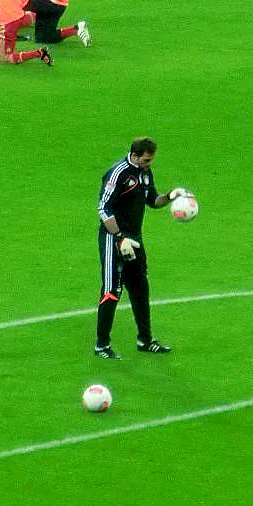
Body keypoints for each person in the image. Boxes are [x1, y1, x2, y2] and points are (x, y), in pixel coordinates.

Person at [94, 137, 193, 359]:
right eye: (146, 160)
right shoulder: (118, 173)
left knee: (140, 287)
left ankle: (145, 340)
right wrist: (119, 238)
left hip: (135, 238)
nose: (149, 164)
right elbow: (103, 209)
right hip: (113, 238)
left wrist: (170, 196)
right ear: (135, 155)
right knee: (111, 290)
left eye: (151, 160)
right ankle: (102, 345)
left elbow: (151, 200)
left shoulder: (145, 173)